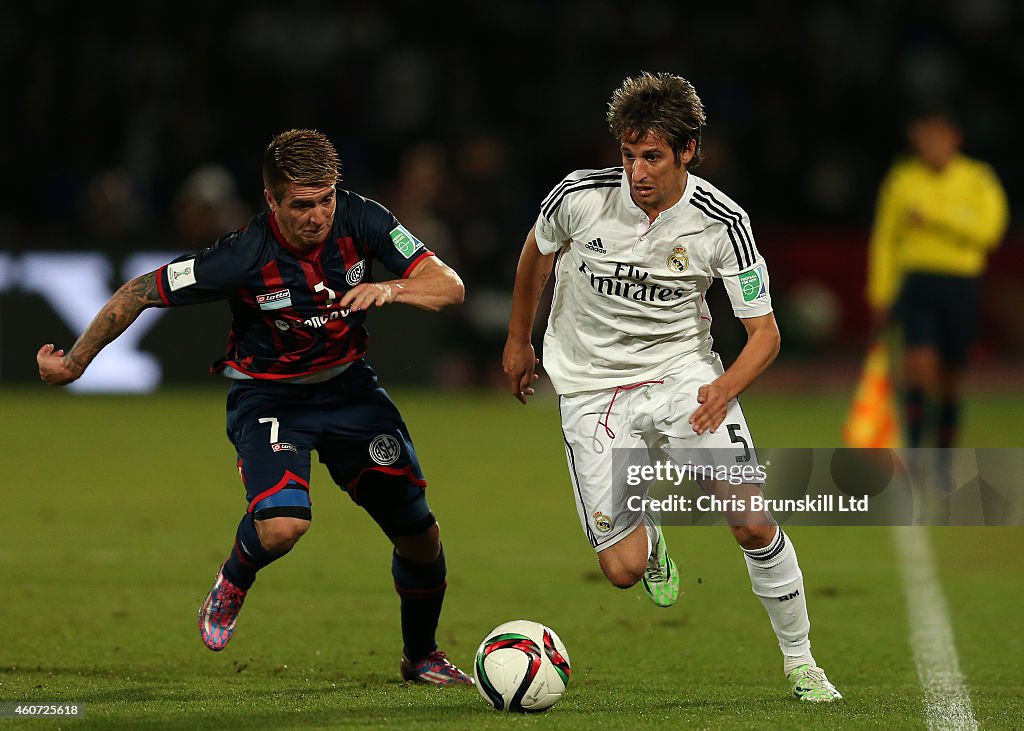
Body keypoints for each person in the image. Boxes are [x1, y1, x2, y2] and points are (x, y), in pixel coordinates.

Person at [37, 129, 473, 686]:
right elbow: (138, 291)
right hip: (271, 396)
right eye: (302, 205)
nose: (318, 216)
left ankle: (421, 657)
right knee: (283, 527)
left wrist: (389, 290)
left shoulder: (365, 220)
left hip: (351, 392)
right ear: (271, 200)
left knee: (420, 535)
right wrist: (75, 363)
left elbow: (449, 286)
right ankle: (233, 581)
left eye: (326, 200)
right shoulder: (241, 255)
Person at [502, 72, 841, 702]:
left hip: (682, 376)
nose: (636, 172)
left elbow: (763, 334)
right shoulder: (577, 199)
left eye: (652, 156)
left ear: (688, 151)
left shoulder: (721, 223)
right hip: (590, 387)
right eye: (628, 156)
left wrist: (724, 388)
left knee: (750, 519)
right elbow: (535, 255)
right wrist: (519, 340)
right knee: (623, 571)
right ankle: (650, 539)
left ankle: (802, 662)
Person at [867, 108, 1008, 451]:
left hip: (960, 285)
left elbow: (989, 232)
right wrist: (880, 291)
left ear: (953, 138)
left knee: (951, 378)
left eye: (937, 137)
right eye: (923, 138)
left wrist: (933, 219)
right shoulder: (903, 179)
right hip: (918, 283)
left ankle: (943, 457)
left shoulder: (978, 179)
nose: (930, 145)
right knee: (917, 367)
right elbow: (885, 238)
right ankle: (914, 452)